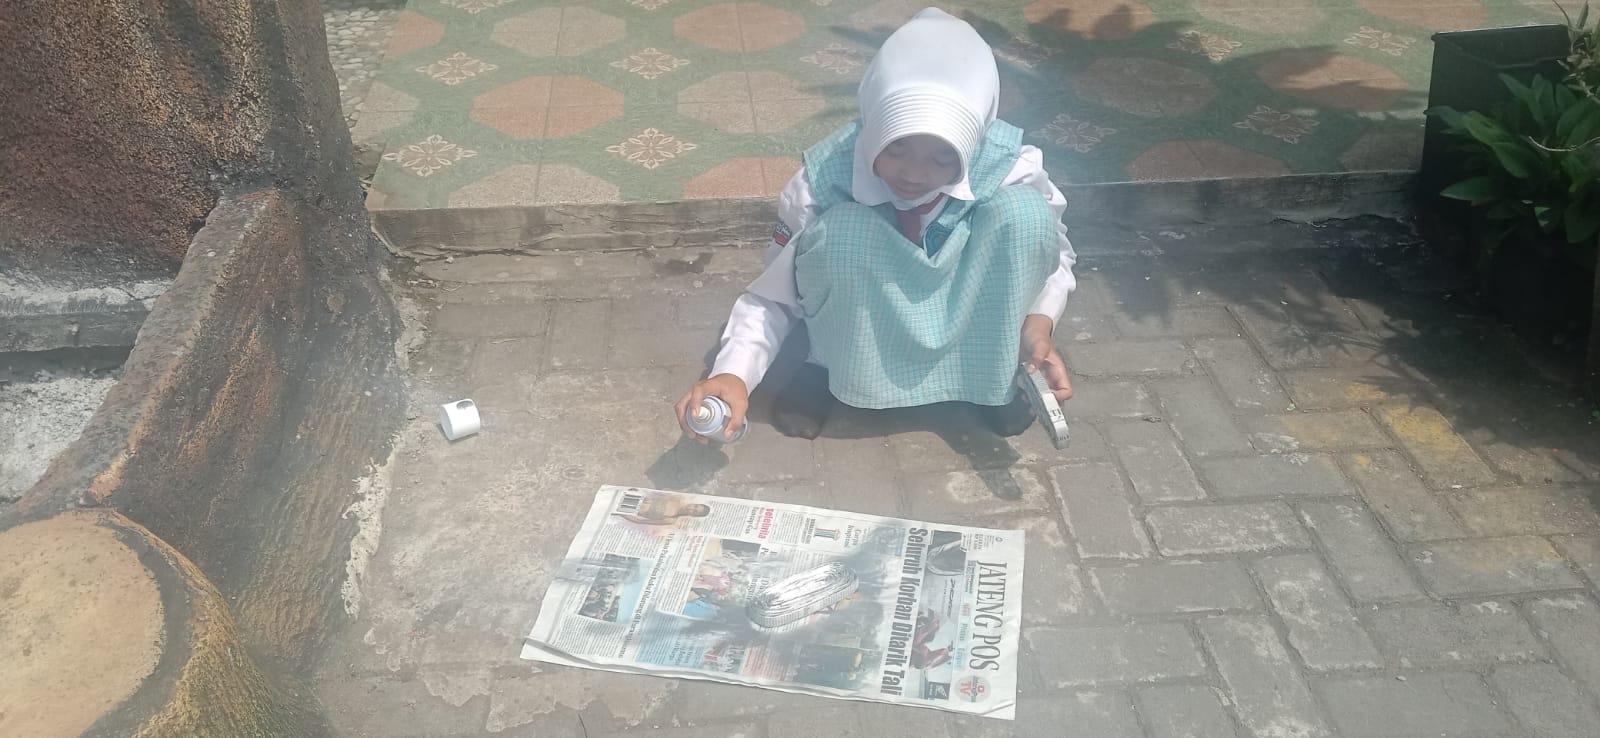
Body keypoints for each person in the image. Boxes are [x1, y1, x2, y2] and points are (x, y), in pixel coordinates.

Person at [675, 8, 1077, 442]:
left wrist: (1039, 323)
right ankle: (823, 366)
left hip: (964, 321)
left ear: (974, 139)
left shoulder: (1010, 164)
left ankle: (988, 376)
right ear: (872, 123)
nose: (915, 174)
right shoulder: (821, 180)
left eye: (943, 156)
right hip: (856, 333)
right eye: (897, 147)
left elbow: (1051, 255)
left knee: (1025, 217)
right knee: (844, 233)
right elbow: (775, 293)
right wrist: (733, 373)